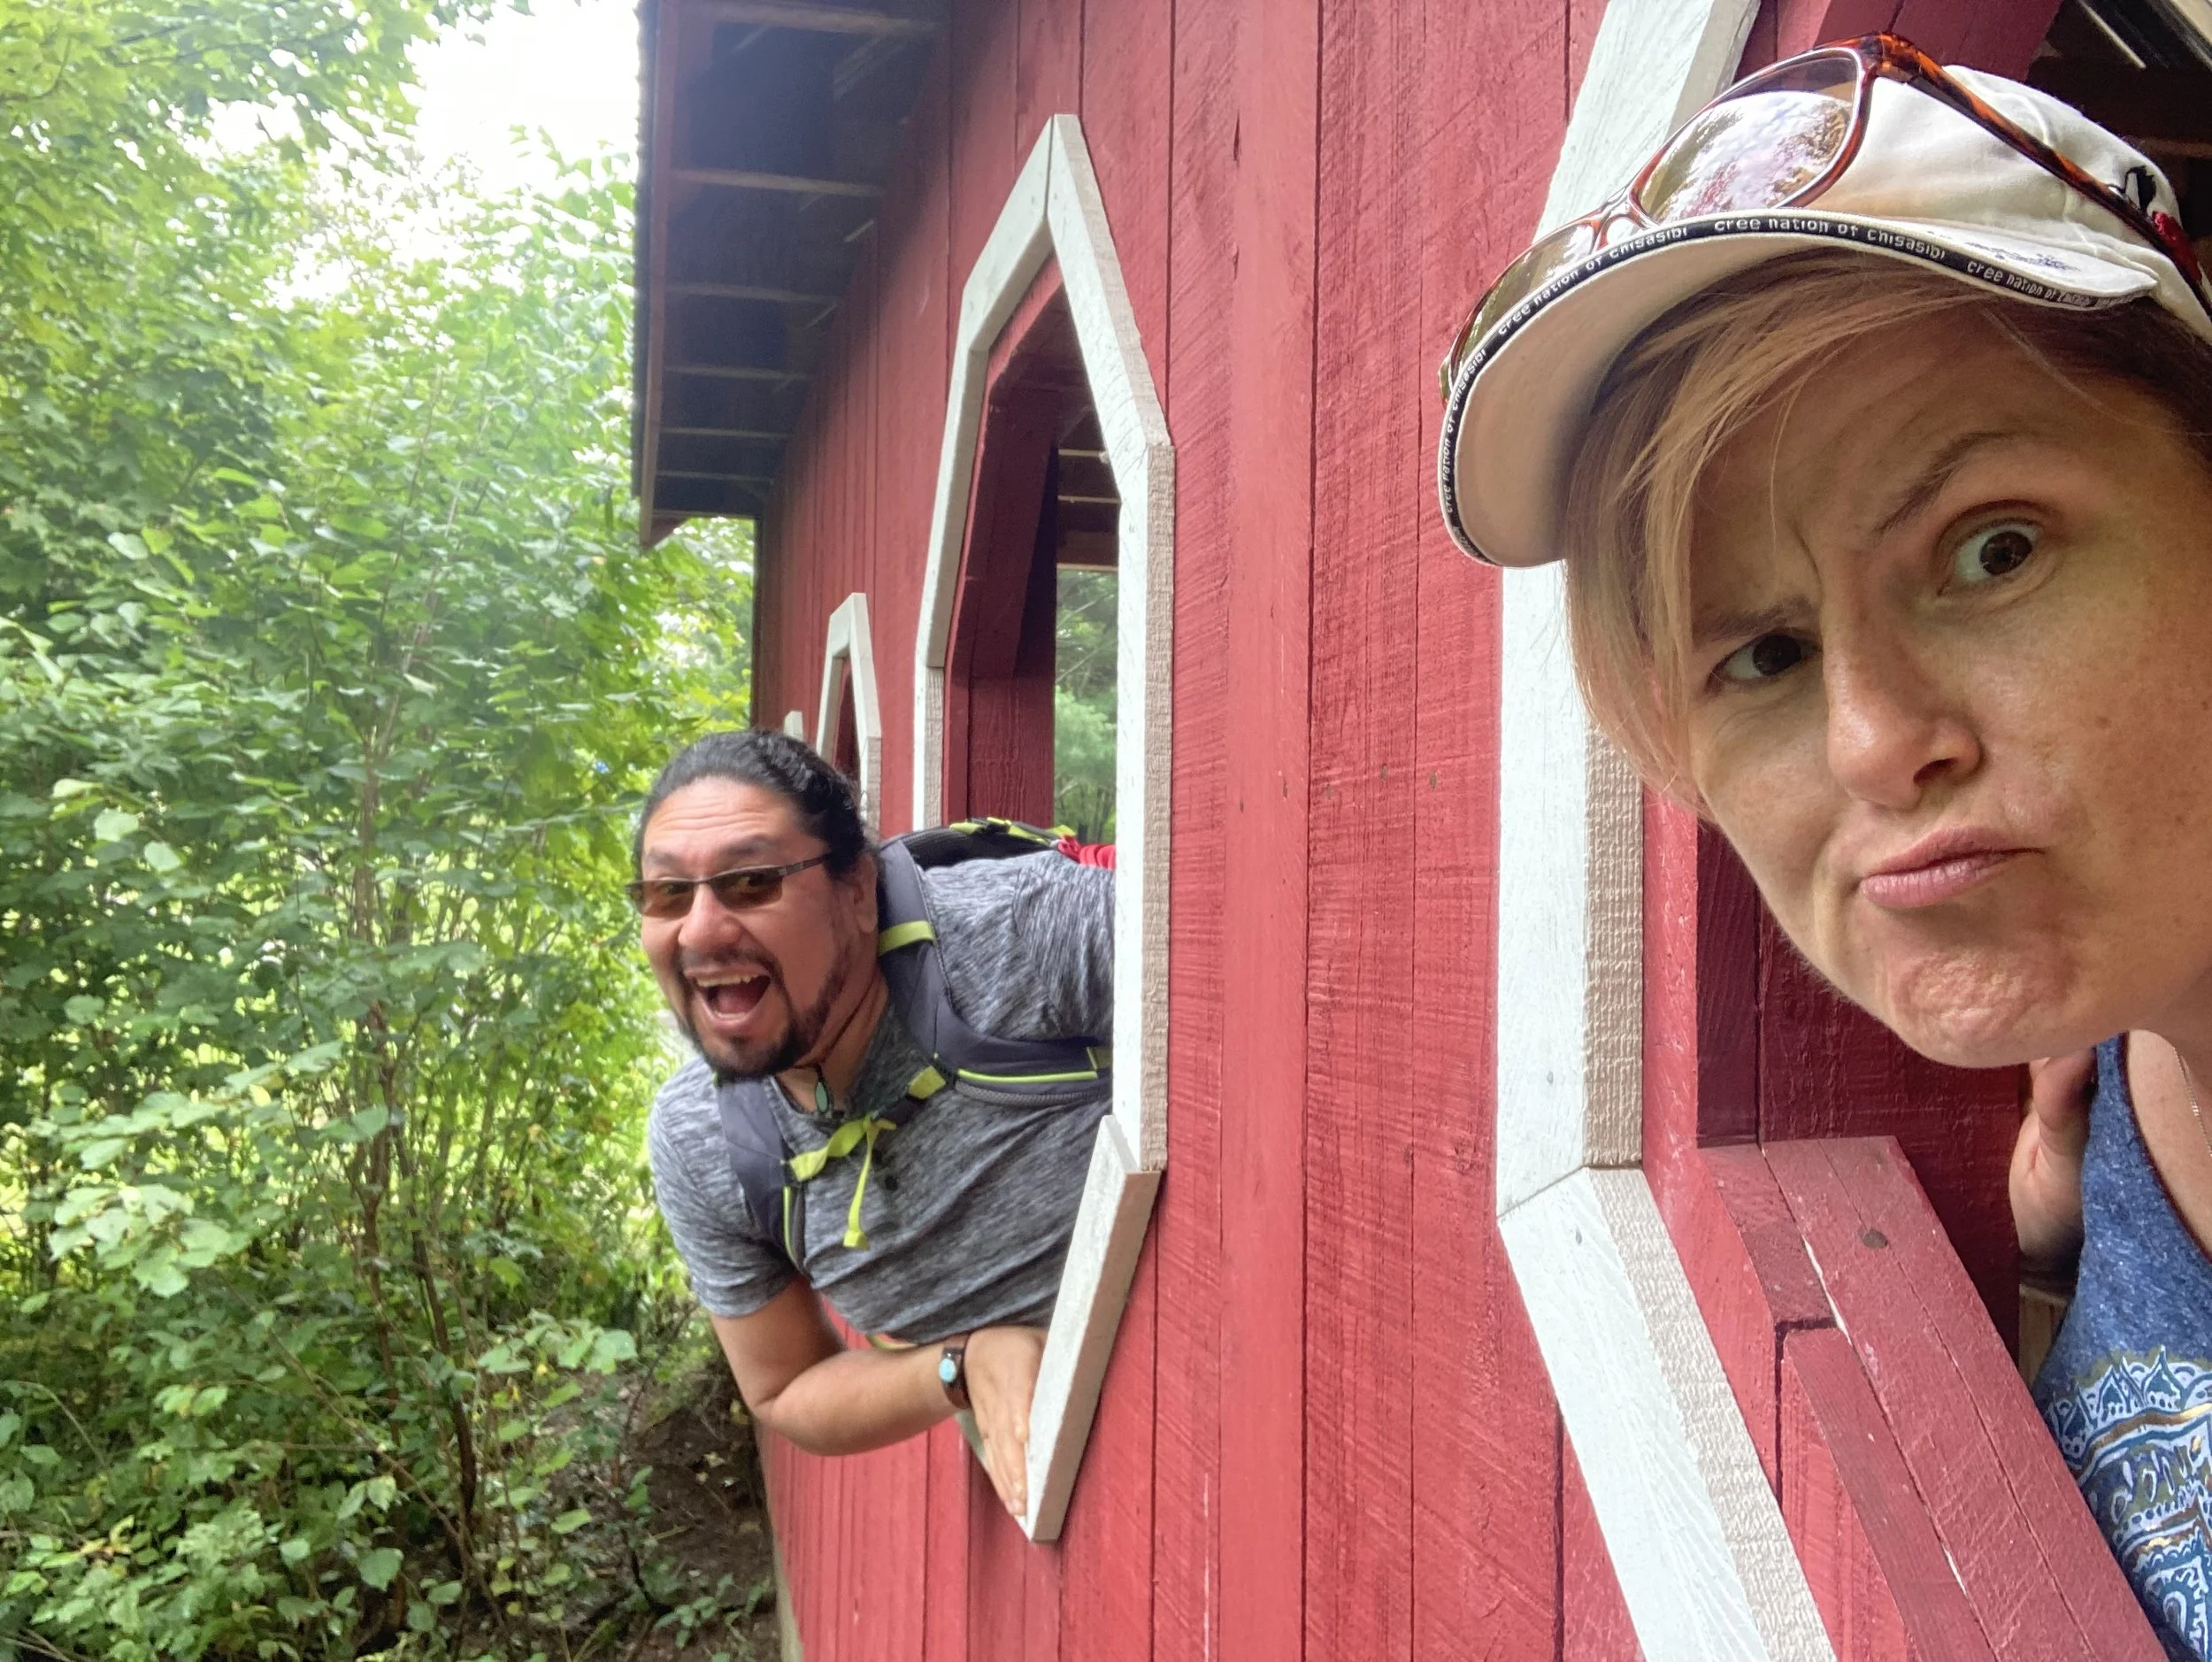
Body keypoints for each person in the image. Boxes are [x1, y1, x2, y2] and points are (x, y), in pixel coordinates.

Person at [1436, 34, 2212, 1658]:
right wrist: (2064, 1272)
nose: (1872, 739)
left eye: (1992, 549)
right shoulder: (2124, 1096)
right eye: (1766, 654)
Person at [635, 729, 1114, 1520]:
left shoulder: (1028, 929)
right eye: (667, 895)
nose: (699, 930)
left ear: (857, 891)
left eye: (752, 881)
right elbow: (785, 1385)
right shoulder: (701, 1142)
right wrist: (961, 1365)